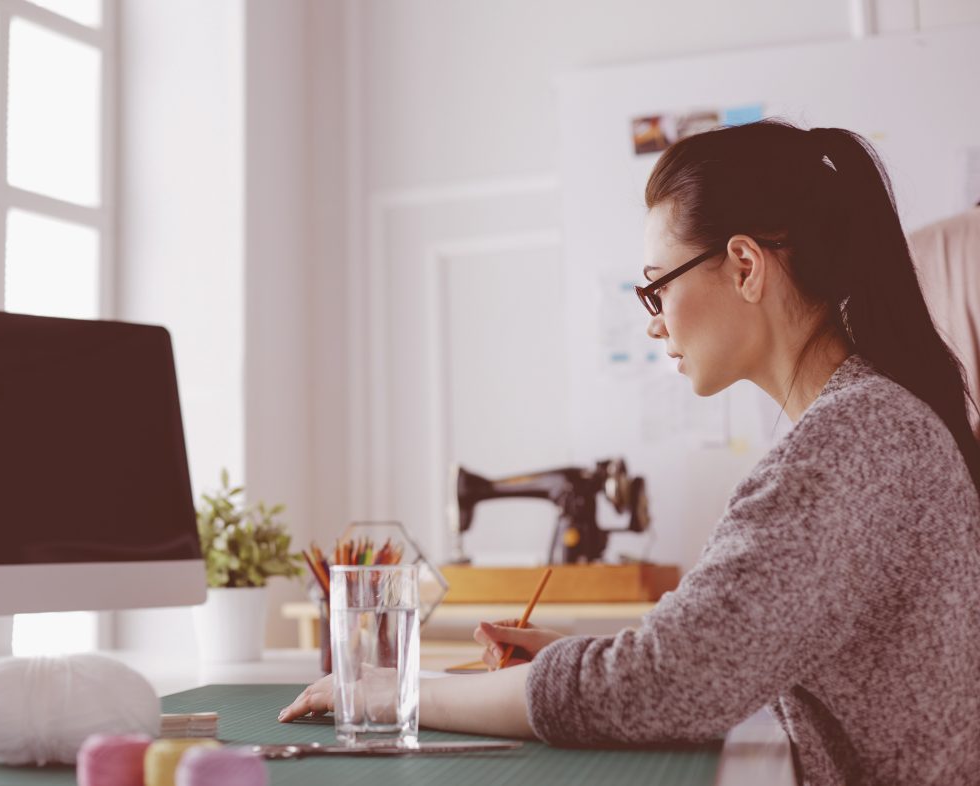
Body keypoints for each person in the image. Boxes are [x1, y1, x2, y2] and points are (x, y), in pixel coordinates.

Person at [278, 119, 980, 785]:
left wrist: (386, 690)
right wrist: (582, 662)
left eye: (657, 287)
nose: (653, 323)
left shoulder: (853, 441)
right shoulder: (866, 425)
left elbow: (666, 685)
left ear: (743, 266)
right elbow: (706, 660)